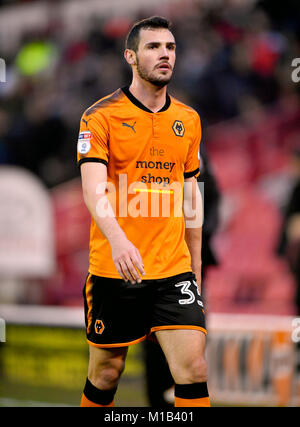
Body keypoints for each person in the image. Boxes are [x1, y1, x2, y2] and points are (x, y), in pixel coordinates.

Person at [78, 16, 210, 407]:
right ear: (130, 57)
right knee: (106, 373)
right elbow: (92, 190)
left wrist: (196, 269)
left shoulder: (188, 120)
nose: (165, 54)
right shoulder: (99, 116)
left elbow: (191, 200)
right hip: (115, 269)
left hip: (173, 271)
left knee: (194, 370)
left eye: (170, 47)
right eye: (154, 47)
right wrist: (118, 241)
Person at [143, 146, 220, 407]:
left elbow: (209, 202)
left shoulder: (195, 155)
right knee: (152, 340)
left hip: (187, 264)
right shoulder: (148, 156)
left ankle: (180, 396)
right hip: (154, 262)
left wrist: (194, 243)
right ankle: (159, 402)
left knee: (191, 343)